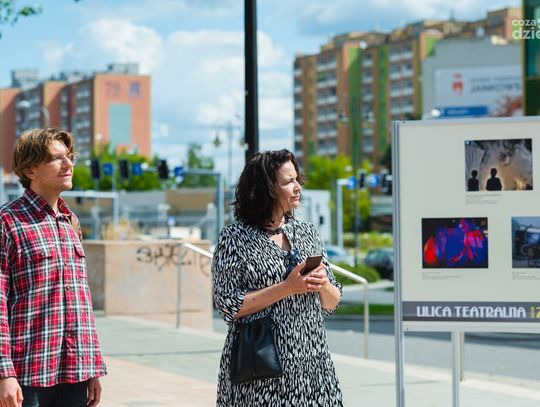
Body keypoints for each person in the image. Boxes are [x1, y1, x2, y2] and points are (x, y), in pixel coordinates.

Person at [212, 149, 343, 406]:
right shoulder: (234, 238)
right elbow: (228, 305)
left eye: (297, 179)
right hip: (260, 370)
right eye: (288, 181)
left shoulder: (307, 232)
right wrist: (287, 287)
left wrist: (324, 284)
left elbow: (333, 302)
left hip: (312, 367)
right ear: (266, 190)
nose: (298, 187)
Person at [0, 128, 107, 407]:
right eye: (56, 158)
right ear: (31, 170)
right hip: (26, 375)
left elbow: (81, 300)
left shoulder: (71, 222)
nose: (68, 164)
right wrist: (4, 373)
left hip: (74, 373)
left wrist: (92, 366)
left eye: (69, 157)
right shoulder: (8, 222)